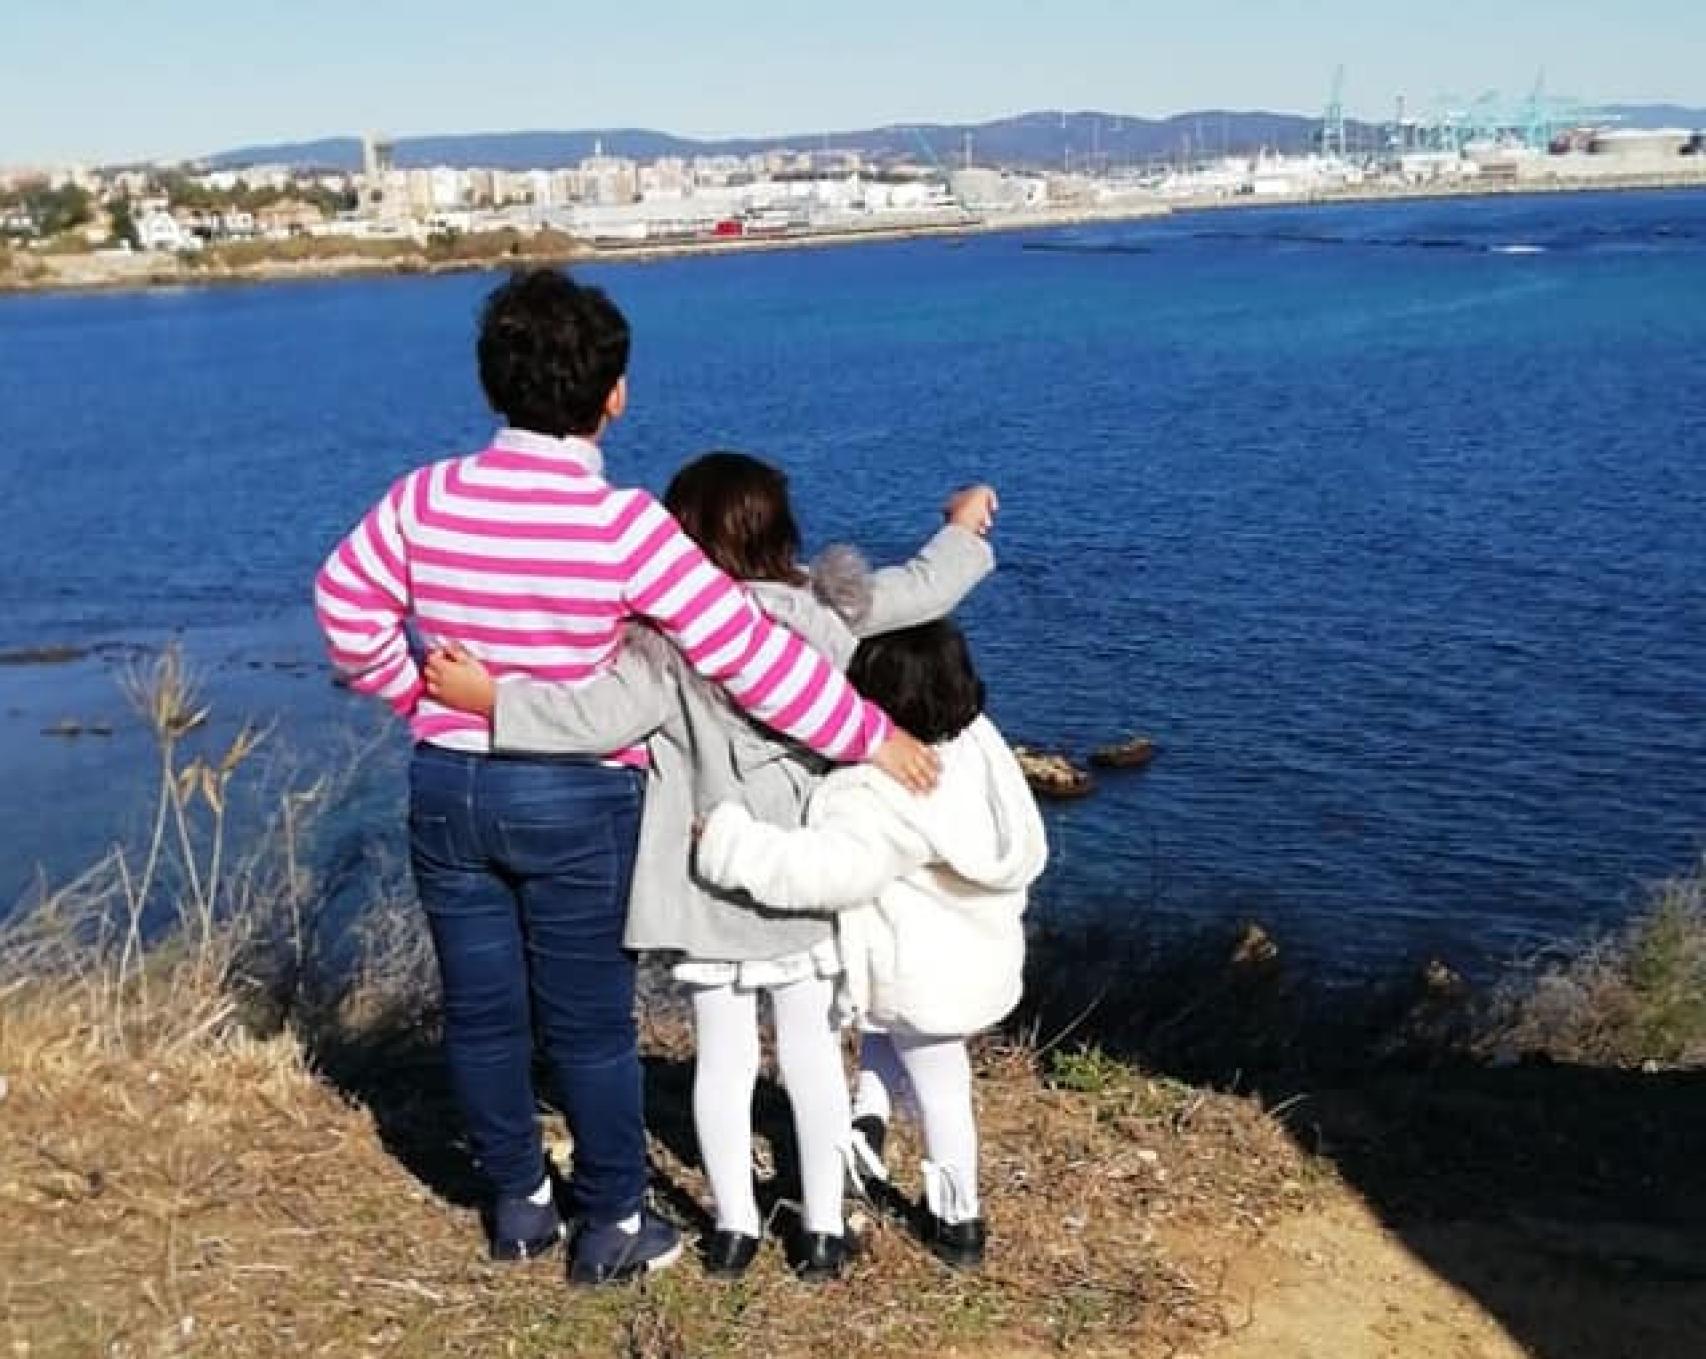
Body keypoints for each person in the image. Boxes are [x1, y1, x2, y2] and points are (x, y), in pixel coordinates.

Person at [312, 269, 938, 1287]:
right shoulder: (624, 528)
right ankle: (611, 1221)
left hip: (449, 785)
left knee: (479, 1009)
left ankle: (516, 1206)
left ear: (490, 384)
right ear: (614, 395)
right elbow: (749, 654)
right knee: (588, 1023)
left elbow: (344, 600)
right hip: (574, 796)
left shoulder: (423, 497)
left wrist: (412, 695)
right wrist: (867, 732)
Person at [423, 451, 998, 1281]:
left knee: (722, 1064)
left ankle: (733, 1228)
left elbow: (589, 717)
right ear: (783, 531)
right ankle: (824, 1229)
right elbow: (923, 586)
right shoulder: (823, 609)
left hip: (702, 885)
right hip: (803, 877)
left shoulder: (661, 646)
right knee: (810, 1057)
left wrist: (490, 700)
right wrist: (963, 523)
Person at [693, 619, 1047, 1269]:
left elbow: (821, 868)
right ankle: (902, 1159)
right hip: (975, 957)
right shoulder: (978, 744)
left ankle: (957, 1213)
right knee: (934, 1074)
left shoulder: (879, 790)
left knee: (937, 1084)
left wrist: (726, 841)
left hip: (917, 972)